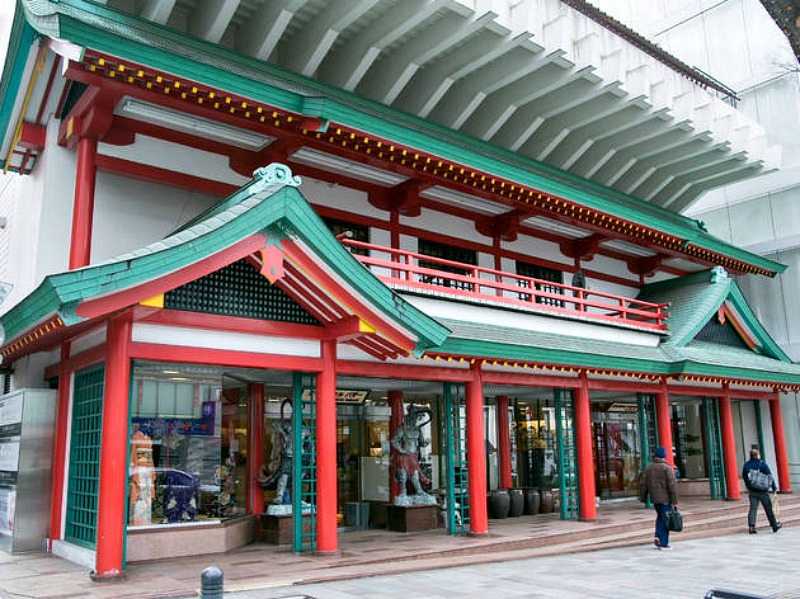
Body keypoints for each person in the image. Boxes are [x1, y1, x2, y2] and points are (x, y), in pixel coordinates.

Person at [391, 404, 434, 504]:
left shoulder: (417, 429)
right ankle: (403, 493)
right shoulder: (403, 428)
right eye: (412, 417)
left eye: (415, 417)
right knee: (403, 475)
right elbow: (394, 441)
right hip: (404, 456)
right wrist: (401, 450)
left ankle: (419, 491)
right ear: (408, 417)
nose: (414, 419)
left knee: (415, 475)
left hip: (413, 456)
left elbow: (422, 443)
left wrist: (426, 442)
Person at [640, 445, 678, 550]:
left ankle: (657, 534)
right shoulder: (667, 468)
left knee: (660, 517)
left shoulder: (649, 468)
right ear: (664, 456)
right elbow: (672, 486)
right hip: (665, 499)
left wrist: (643, 497)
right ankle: (664, 543)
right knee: (665, 520)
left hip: (655, 499)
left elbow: (643, 484)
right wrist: (675, 501)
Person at [742, 448, 781, 534]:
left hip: (752, 490)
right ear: (757, 455)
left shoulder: (746, 465)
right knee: (768, 509)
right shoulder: (762, 464)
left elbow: (745, 477)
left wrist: (749, 486)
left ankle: (751, 527)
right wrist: (774, 487)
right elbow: (769, 477)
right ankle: (774, 525)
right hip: (763, 491)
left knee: (753, 509)